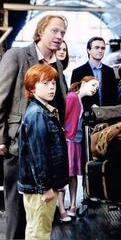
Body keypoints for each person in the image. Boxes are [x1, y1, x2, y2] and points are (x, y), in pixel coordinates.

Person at [0, 14, 68, 240]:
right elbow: (0, 99)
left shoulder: (57, 65)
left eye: (62, 33)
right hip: (16, 150)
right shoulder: (17, 56)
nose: (59, 37)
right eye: (55, 31)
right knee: (17, 217)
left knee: (41, 220)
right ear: (40, 32)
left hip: (46, 156)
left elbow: (60, 107)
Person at [17, 64, 69, 240]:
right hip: (40, 189)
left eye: (53, 83)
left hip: (38, 187)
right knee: (40, 233)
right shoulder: (38, 114)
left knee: (36, 230)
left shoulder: (41, 111)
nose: (52, 87)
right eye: (45, 83)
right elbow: (38, 156)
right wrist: (45, 187)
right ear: (32, 87)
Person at [57, 76, 99, 222]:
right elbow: (64, 116)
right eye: (93, 85)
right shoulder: (72, 97)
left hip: (75, 140)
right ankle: (62, 208)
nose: (95, 89)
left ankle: (72, 206)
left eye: (97, 87)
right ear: (84, 83)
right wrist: (67, 132)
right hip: (69, 140)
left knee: (72, 173)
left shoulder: (78, 99)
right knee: (65, 174)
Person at [71, 36, 117, 110]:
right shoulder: (78, 72)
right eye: (96, 47)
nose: (100, 50)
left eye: (103, 48)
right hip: (87, 116)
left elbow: (114, 95)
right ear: (88, 50)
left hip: (108, 115)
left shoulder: (110, 71)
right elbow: (74, 96)